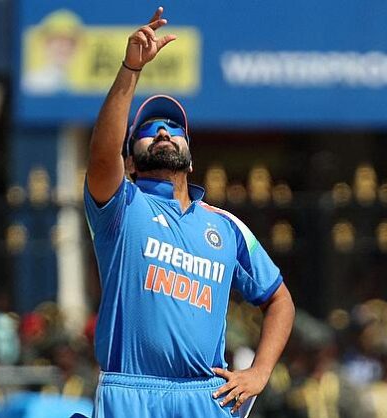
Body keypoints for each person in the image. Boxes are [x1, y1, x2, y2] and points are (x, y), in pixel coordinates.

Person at [84, 7, 295, 417]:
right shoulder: (123, 207)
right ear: (129, 161)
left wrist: (260, 372)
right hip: (131, 392)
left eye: (173, 129)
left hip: (205, 396)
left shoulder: (226, 227)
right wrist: (131, 69)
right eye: (146, 131)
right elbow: (101, 153)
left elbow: (280, 301)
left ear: (191, 158)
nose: (162, 132)